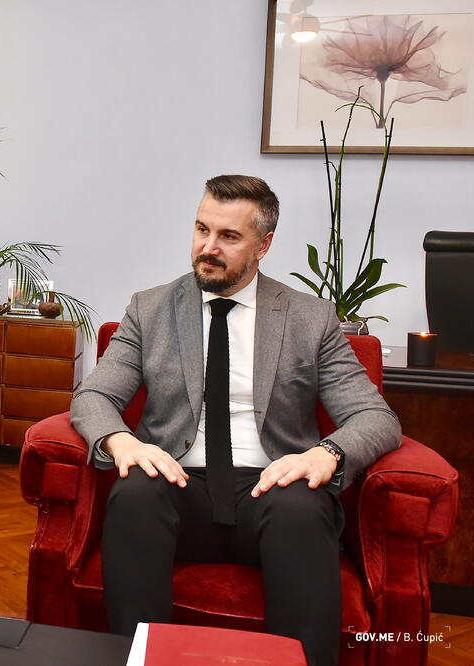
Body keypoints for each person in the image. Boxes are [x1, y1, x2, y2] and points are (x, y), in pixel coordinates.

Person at [70, 175, 401, 666]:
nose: (208, 247)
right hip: (178, 485)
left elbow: (375, 416)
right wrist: (122, 441)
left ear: (264, 245)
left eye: (228, 236)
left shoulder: (310, 319)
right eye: (202, 229)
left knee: (300, 508)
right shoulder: (151, 308)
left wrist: (326, 453)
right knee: (135, 493)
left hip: (272, 487)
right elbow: (93, 395)